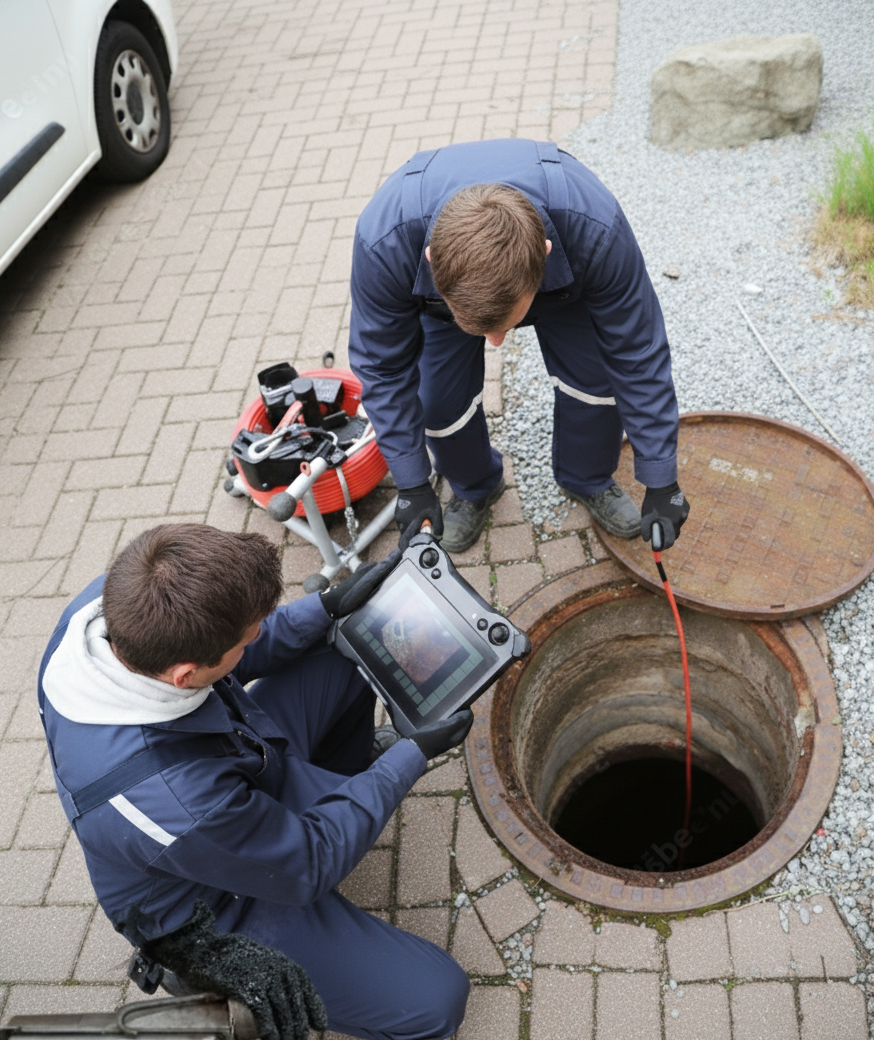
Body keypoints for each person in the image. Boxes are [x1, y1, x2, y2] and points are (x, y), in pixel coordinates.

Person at [37, 523, 472, 1040]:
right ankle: (201, 977)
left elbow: (244, 646)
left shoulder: (111, 608)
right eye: (247, 639)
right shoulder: (172, 801)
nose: (257, 637)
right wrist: (410, 755)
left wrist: (330, 607)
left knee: (358, 641)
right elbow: (310, 860)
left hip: (229, 767)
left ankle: (341, 786)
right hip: (214, 905)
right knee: (436, 999)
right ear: (185, 674)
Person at [348, 138, 690, 553]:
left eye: (504, 327)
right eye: (484, 331)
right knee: (436, 401)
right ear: (431, 258)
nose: (496, 343)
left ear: (544, 255)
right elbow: (383, 368)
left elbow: (637, 350)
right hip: (442, 299)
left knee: (598, 378)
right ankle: (474, 486)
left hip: (569, 284)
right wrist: (412, 483)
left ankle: (588, 478)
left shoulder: (596, 229)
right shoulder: (384, 243)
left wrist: (661, 477)